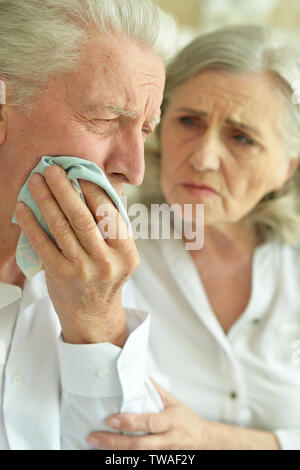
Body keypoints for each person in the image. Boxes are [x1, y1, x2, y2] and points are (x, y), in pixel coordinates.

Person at [87, 25, 300, 450]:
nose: (202, 157)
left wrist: (211, 440)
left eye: (242, 137)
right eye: (188, 121)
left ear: (288, 167)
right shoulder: (109, 242)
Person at [0, 0, 177, 450]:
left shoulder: (108, 275)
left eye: (144, 130)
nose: (133, 170)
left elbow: (137, 451)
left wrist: (98, 323)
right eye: (104, 118)